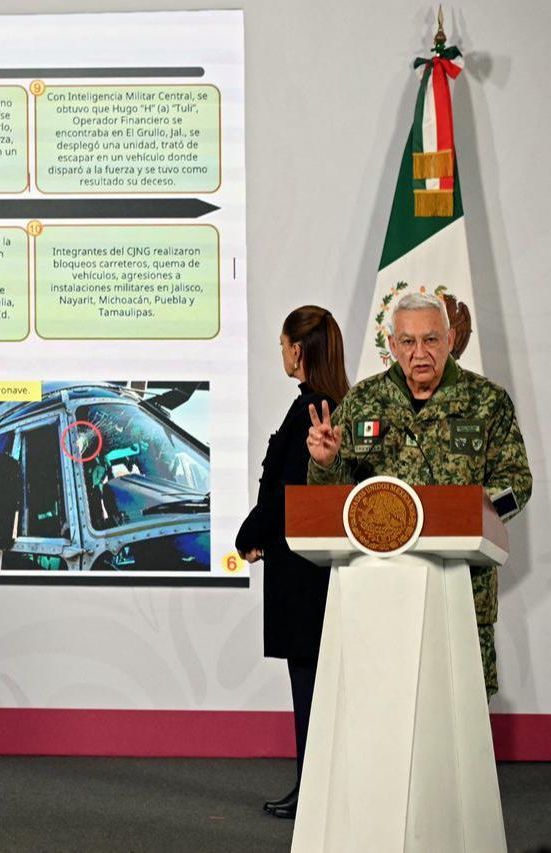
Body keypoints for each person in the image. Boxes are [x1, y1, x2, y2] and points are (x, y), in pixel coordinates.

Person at [307, 291, 532, 699]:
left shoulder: (487, 401)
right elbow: (330, 499)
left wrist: (478, 514)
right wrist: (325, 462)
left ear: (450, 341)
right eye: (408, 342)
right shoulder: (362, 401)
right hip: (380, 589)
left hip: (462, 588)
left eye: (431, 339)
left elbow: (518, 482)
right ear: (392, 346)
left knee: (459, 708)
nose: (420, 352)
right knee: (383, 703)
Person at [237, 306, 349, 820]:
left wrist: (248, 535)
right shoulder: (326, 404)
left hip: (302, 570)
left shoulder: (312, 408)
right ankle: (315, 788)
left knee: (308, 684)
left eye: (284, 345)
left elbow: (285, 490)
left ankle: (314, 793)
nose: (281, 353)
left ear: (298, 350)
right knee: (311, 682)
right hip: (306, 564)